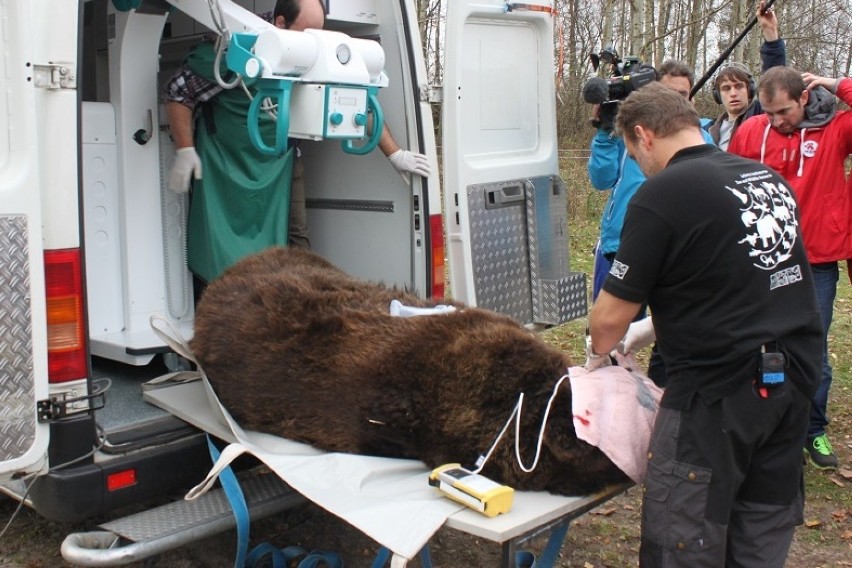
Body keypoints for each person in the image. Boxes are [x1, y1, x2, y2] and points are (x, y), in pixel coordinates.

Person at [587, 82, 822, 567]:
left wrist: (604, 341)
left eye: (633, 153)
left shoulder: (661, 195)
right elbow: (748, 280)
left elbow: (607, 323)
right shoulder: (763, 178)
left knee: (685, 537)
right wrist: (652, 327)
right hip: (790, 383)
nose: (638, 163)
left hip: (714, 395)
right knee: (760, 530)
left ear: (642, 135)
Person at [164, 0, 430, 285]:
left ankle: (301, 309)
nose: (314, 42)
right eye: (306, 33)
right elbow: (179, 92)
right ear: (280, 24)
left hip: (281, 160)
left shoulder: (317, 49)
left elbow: (359, 105)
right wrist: (186, 149)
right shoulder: (235, 49)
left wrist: (395, 154)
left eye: (319, 32)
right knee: (220, 248)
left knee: (296, 239)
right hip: (227, 165)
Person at [728, 67, 852, 470]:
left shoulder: (835, 127)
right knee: (757, 342)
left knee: (810, 346)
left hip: (815, 259)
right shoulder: (753, 130)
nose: (776, 120)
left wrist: (837, 85)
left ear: (803, 98)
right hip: (761, 258)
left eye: (783, 111)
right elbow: (729, 181)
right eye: (768, 112)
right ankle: (763, 426)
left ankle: (812, 431)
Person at [587, 59, 712, 386]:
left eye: (683, 95)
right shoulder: (629, 134)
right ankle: (609, 402)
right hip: (619, 245)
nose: (675, 102)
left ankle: (661, 399)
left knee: (670, 331)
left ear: (693, 100)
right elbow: (601, 179)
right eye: (667, 94)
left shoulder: (701, 137)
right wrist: (605, 133)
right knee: (610, 336)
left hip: (673, 252)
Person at [709, 1, 786, 150]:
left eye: (738, 86)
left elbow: (775, 77)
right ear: (717, 95)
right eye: (726, 88)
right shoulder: (709, 130)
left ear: (750, 90)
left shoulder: (762, 115)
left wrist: (770, 32)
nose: (733, 93)